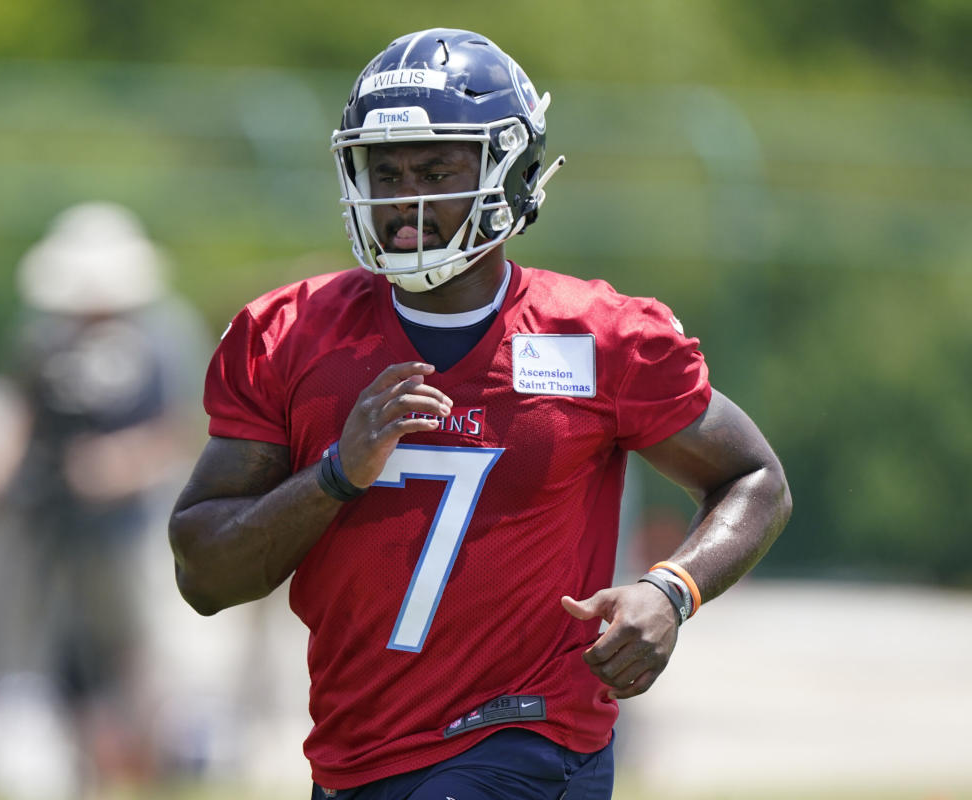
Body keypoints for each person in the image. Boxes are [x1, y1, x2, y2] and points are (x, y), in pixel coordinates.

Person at [168, 28, 791, 800]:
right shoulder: (288, 335)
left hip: (527, 737)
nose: (406, 199)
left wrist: (672, 589)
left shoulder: (599, 337)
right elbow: (203, 574)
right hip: (355, 757)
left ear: (511, 171)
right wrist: (334, 475)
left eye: (436, 169)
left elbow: (755, 478)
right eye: (385, 172)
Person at [0, 202, 211, 793]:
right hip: (49, 523)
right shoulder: (43, 333)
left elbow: (183, 430)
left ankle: (142, 769)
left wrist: (122, 464)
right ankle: (83, 772)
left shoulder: (163, 334)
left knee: (135, 656)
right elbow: (15, 406)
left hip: (133, 528)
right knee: (64, 659)